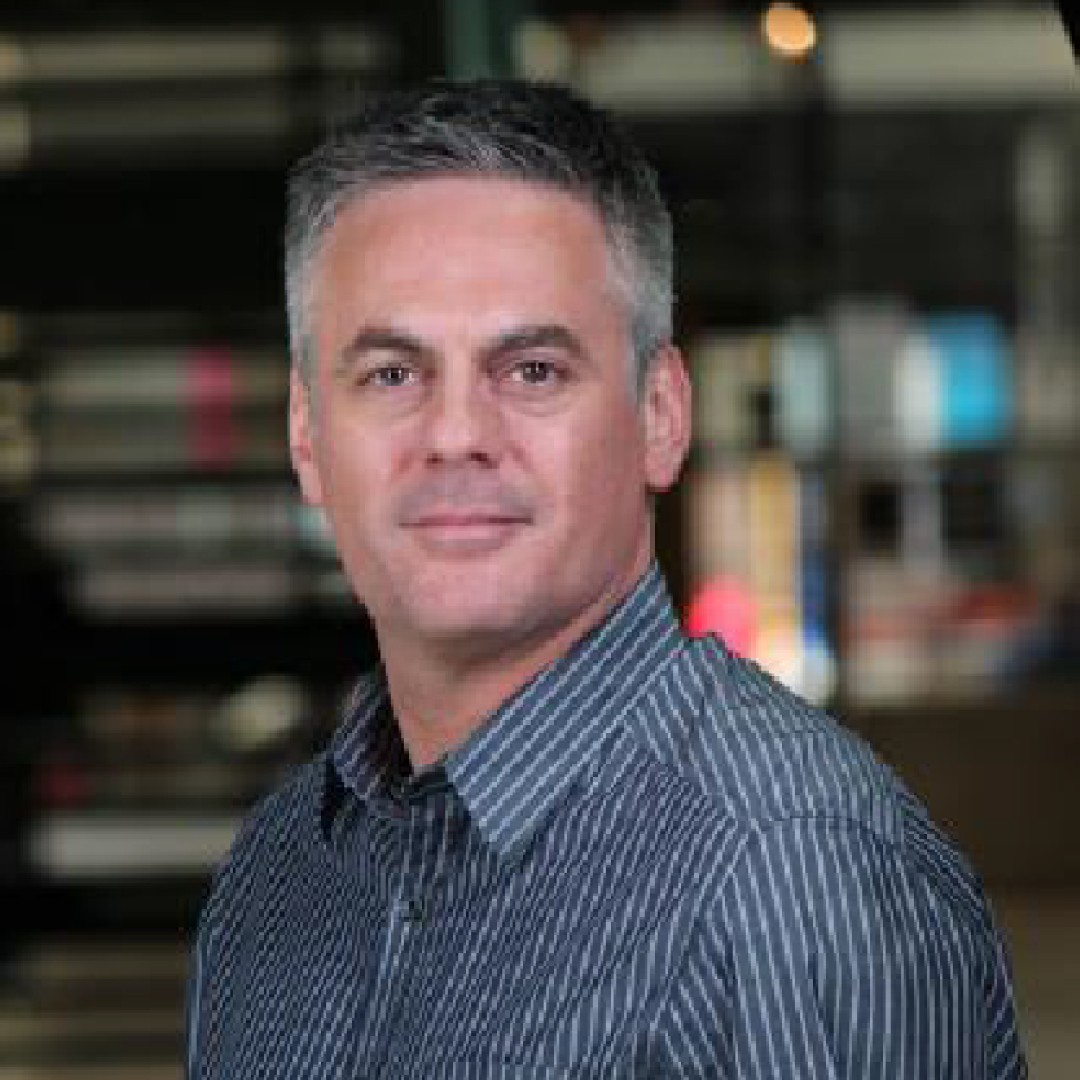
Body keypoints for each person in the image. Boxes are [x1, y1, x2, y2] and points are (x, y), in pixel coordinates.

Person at [185, 80, 1027, 1078]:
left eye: (532, 370)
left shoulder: (785, 877)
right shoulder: (277, 877)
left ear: (662, 415)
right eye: (393, 374)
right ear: (305, 435)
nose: (456, 435)